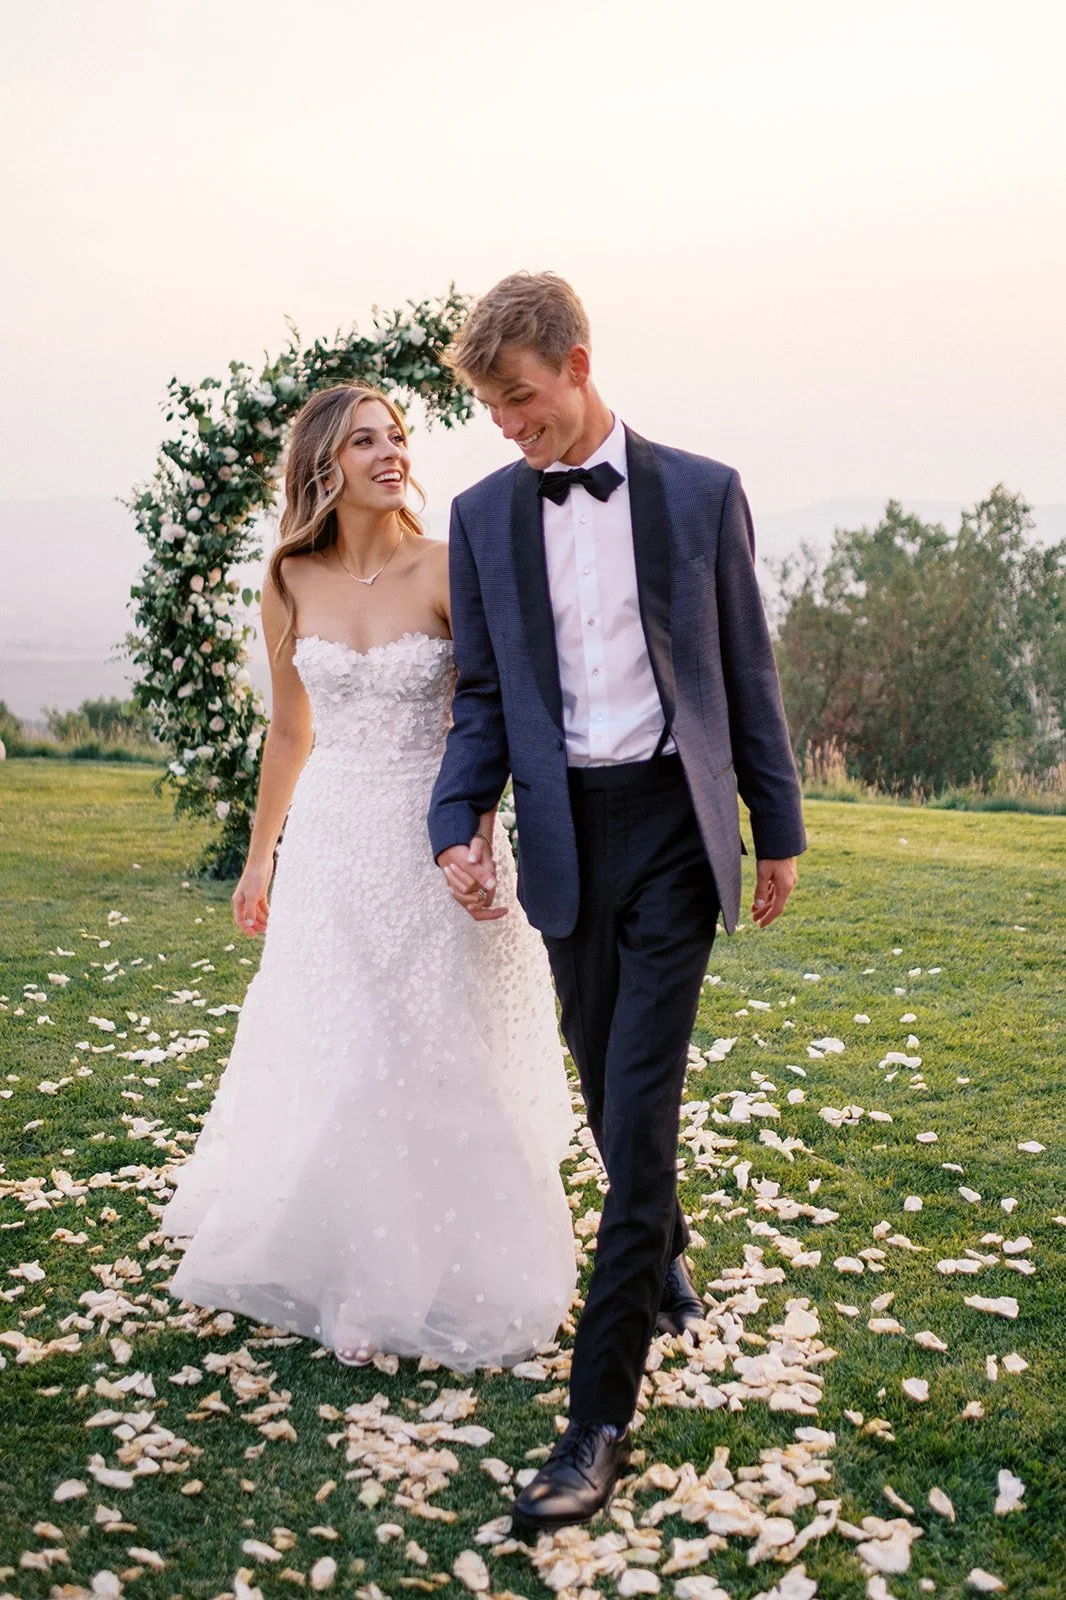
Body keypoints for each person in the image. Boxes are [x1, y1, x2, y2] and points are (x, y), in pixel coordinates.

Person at [429, 273, 806, 1528]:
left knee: (638, 1111)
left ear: (578, 363)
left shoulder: (701, 493)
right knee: (600, 1079)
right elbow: (482, 694)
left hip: (671, 831)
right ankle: (670, 1247)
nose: (509, 427)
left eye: (523, 399)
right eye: (491, 408)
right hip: (564, 841)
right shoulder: (483, 518)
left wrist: (779, 831)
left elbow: (744, 672)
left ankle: (596, 1421)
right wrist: (455, 820)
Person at [161, 383, 576, 1371]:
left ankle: (425, 1273)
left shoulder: (444, 566)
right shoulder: (289, 580)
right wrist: (261, 854)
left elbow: (485, 719)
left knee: (433, 1046)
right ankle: (351, 1266)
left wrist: (472, 834)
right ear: (324, 466)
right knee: (341, 1048)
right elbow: (292, 729)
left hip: (432, 837)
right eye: (365, 440)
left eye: (397, 436)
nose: (391, 452)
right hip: (332, 841)